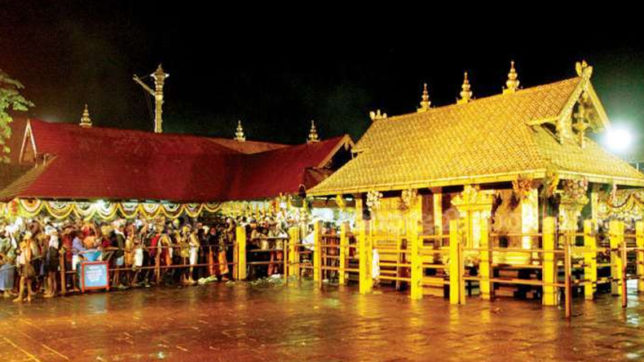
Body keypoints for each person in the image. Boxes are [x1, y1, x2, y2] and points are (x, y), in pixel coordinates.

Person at [14, 232, 36, 303]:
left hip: (26, 266)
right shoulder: (26, 247)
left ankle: (20, 297)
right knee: (28, 282)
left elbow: (28, 258)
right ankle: (29, 296)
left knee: (22, 281)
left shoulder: (28, 248)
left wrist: (23, 250)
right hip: (24, 265)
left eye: (25, 240)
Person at [0, 227, 17, 298]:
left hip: (11, 260)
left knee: (10, 275)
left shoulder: (12, 240)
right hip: (6, 260)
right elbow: (0, 251)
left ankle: (9, 290)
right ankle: (5, 291)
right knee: (5, 275)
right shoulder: (3, 241)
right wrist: (6, 258)